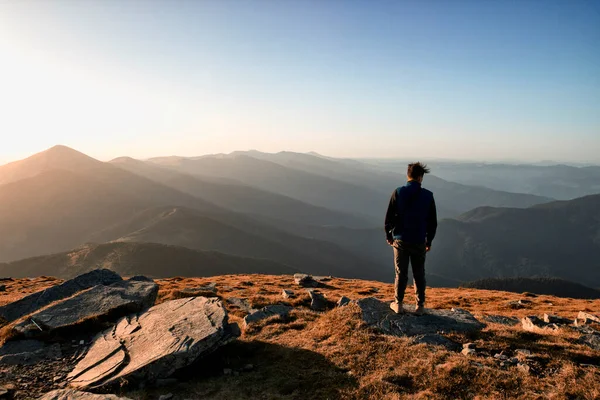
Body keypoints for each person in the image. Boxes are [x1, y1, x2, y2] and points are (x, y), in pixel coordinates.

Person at [384, 162, 437, 315]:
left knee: (401, 273)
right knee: (419, 273)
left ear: (408, 175)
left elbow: (389, 217)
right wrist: (429, 240)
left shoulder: (398, 192)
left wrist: (389, 235)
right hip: (419, 239)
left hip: (400, 239)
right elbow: (432, 222)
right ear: (421, 177)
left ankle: (398, 303)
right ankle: (419, 306)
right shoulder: (428, 195)